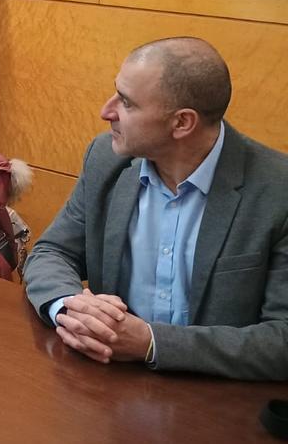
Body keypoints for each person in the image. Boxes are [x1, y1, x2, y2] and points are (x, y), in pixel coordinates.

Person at [24, 37, 288, 380]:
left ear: (182, 123)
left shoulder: (276, 191)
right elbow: (52, 251)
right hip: (108, 385)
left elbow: (281, 339)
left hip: (217, 403)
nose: (107, 111)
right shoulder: (106, 159)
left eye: (127, 103)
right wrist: (71, 307)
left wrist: (152, 343)